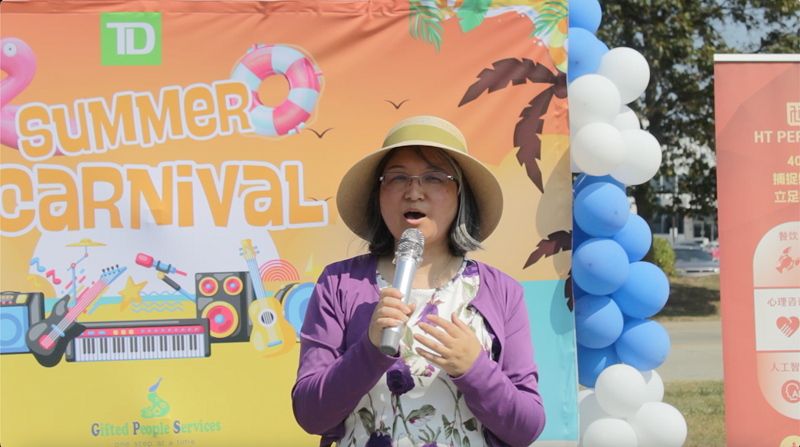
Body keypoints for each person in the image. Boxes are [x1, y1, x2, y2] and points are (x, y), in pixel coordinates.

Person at [292, 116, 545, 447]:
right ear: (378, 194)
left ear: (460, 195)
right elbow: (310, 415)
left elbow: (527, 428)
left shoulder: (502, 291)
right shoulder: (338, 283)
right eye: (397, 178)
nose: (414, 191)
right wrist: (369, 350)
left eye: (434, 177)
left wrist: (474, 369)